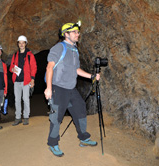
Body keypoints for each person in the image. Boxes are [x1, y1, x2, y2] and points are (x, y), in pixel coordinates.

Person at [44, 22, 100, 157]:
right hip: (58, 88)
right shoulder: (58, 48)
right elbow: (49, 68)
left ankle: (83, 138)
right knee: (56, 117)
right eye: (74, 32)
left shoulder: (75, 50)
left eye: (78, 32)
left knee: (80, 109)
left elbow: (76, 70)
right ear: (66, 34)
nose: (78, 34)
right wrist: (48, 88)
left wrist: (91, 76)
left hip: (71, 88)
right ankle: (53, 143)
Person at [9, 35, 37, 126]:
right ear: (18, 44)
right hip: (17, 81)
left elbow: (34, 67)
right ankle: (17, 118)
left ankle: (26, 117)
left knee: (25, 99)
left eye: (23, 43)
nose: (21, 44)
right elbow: (11, 67)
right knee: (17, 100)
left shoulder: (30, 55)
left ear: (25, 44)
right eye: (19, 43)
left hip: (26, 81)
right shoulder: (15, 55)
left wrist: (32, 79)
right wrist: (12, 69)